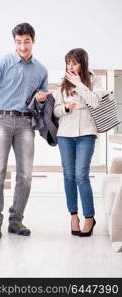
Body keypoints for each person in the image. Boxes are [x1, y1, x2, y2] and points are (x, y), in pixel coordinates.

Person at [0, 23, 51, 239]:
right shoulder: (3, 62)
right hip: (1, 120)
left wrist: (41, 100)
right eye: (19, 42)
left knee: (25, 175)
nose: (23, 46)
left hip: (25, 124)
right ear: (14, 42)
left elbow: (40, 105)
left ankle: (16, 220)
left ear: (34, 40)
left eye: (27, 41)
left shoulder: (41, 70)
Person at [54, 48, 105, 237]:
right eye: (68, 63)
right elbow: (55, 111)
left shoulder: (95, 80)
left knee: (81, 176)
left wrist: (79, 84)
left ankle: (89, 217)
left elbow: (96, 102)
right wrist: (65, 108)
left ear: (83, 63)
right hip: (65, 135)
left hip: (86, 134)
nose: (71, 66)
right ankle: (73, 216)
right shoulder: (62, 84)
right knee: (68, 176)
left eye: (74, 63)